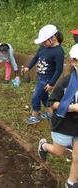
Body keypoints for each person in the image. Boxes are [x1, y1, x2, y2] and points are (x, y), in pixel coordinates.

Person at [38, 44, 78, 188]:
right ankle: (44, 146)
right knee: (59, 152)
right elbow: (52, 103)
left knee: (77, 157)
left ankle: (71, 182)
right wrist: (72, 107)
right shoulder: (66, 82)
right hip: (64, 123)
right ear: (74, 62)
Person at [21, 24, 64, 125]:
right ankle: (50, 113)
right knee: (44, 96)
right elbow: (36, 57)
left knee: (36, 97)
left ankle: (35, 115)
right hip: (40, 77)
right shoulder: (43, 47)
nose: (43, 43)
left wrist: (52, 83)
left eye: (44, 41)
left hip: (47, 79)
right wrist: (28, 67)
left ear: (53, 38)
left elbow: (59, 69)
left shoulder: (58, 51)